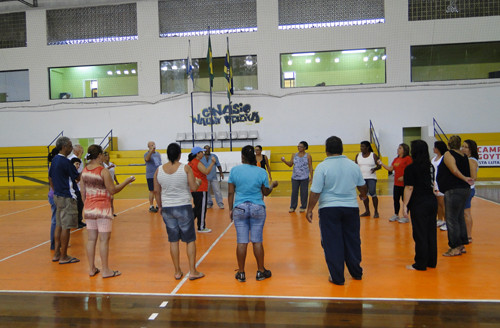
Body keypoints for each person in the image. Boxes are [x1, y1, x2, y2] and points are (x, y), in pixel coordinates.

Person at [306, 136, 367, 285]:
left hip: (329, 209)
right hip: (351, 208)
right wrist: (363, 195)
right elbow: (362, 186)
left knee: (332, 242)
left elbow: (315, 191)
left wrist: (309, 209)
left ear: (326, 150)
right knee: (352, 240)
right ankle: (356, 272)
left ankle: (337, 277)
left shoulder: (322, 167)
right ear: (342, 148)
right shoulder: (353, 165)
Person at [81, 145, 135, 278]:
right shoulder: (103, 171)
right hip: (103, 208)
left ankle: (92, 268)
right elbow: (112, 190)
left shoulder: (85, 170)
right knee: (104, 240)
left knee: (91, 239)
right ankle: (105, 270)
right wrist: (126, 182)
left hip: (89, 208)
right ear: (99, 155)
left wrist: (86, 205)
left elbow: (83, 192)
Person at [153, 143, 205, 281]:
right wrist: (198, 182)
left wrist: (160, 206)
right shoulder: (185, 168)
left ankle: (177, 271)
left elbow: (156, 191)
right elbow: (193, 187)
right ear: (179, 154)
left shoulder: (158, 170)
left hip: (167, 208)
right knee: (190, 240)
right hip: (183, 206)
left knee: (173, 240)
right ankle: (192, 271)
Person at [228, 145, 279, 282]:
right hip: (257, 207)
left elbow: (230, 192)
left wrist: (230, 209)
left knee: (241, 241)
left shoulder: (234, 171)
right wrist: (272, 186)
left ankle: (241, 273)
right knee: (257, 241)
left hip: (240, 208)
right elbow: (265, 192)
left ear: (242, 157)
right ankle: (261, 271)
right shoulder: (261, 172)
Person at [402, 140, 438, 271]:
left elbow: (409, 188)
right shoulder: (430, 167)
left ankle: (420, 263)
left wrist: (405, 205)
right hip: (431, 201)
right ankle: (431, 261)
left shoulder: (411, 168)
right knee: (430, 232)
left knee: (420, 233)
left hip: (419, 203)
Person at [436, 135, 473, 257]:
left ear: (449, 144)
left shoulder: (448, 154)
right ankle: (461, 244)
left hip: (454, 189)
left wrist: (465, 178)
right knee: (459, 217)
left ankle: (455, 246)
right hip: (464, 190)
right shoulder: (463, 155)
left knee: (451, 219)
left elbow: (454, 170)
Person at [48, 136, 80, 264]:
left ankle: (56, 253)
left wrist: (55, 190)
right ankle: (64, 256)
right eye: (70, 145)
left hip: (57, 196)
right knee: (66, 227)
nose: (71, 147)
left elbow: (50, 177)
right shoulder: (66, 162)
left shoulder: (55, 160)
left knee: (59, 225)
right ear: (64, 146)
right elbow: (77, 178)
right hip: (67, 197)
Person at [378, 143, 412, 223]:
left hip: (405, 184)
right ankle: (396, 214)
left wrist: (404, 177)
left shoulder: (408, 159)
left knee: (405, 200)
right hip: (396, 184)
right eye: (398, 148)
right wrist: (381, 164)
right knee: (396, 200)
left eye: (400, 148)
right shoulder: (396, 159)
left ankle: (405, 216)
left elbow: (411, 170)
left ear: (404, 150)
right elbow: (390, 169)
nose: (398, 149)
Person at [188, 146, 216, 233]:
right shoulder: (197, 163)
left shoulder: (190, 163)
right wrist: (212, 163)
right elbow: (206, 171)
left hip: (194, 188)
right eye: (201, 152)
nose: (203, 154)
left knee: (197, 207)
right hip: (201, 187)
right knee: (202, 208)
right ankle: (201, 226)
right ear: (197, 154)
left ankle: (188, 222)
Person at [281, 141, 313, 213]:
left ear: (305, 148)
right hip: (295, 177)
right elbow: (290, 164)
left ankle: (303, 206)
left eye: (301, 146)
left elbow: (310, 167)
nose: (299, 147)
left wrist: (312, 177)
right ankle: (292, 207)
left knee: (304, 192)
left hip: (304, 177)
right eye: (298, 146)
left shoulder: (308, 156)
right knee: (294, 192)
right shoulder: (294, 155)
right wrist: (284, 161)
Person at [354, 141, 381, 218]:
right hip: (361, 178)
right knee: (364, 195)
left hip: (371, 178)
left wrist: (375, 168)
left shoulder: (373, 155)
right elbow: (355, 166)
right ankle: (367, 211)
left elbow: (380, 165)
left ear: (367, 147)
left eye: (363, 146)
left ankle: (376, 211)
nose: (361, 148)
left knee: (373, 193)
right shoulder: (358, 156)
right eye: (360, 146)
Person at [462, 139, 479, 243]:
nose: (463, 148)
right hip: (465, 189)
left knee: (466, 213)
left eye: (466, 147)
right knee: (463, 213)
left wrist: (463, 178)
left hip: (468, 189)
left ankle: (468, 235)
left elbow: (473, 177)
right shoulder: (466, 159)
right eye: (462, 146)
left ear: (471, 149)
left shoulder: (471, 160)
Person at [201, 145, 225, 209]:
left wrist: (221, 173)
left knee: (217, 191)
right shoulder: (201, 157)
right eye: (206, 149)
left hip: (214, 177)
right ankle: (209, 203)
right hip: (205, 178)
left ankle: (220, 203)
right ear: (204, 150)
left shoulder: (214, 156)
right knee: (207, 191)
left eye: (208, 149)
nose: (207, 150)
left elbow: (218, 165)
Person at [68, 144, 86, 228]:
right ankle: (75, 222)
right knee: (76, 205)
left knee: (80, 204)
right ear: (75, 150)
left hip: (80, 185)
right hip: (75, 186)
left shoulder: (80, 159)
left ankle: (79, 220)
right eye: (80, 149)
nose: (82, 150)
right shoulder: (72, 159)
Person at [432, 141, 448, 230]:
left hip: (440, 182)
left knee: (443, 203)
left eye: (435, 147)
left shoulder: (444, 158)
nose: (433, 149)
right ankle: (440, 219)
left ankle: (447, 221)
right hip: (434, 182)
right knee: (437, 203)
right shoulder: (433, 158)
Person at [47, 147, 60, 250]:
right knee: (55, 220)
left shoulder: (53, 166)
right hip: (54, 195)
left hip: (54, 194)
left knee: (57, 220)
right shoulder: (54, 166)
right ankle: (53, 244)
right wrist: (55, 192)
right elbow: (51, 180)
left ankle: (56, 243)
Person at [145, 141, 162, 213]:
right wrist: (151, 152)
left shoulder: (158, 154)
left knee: (158, 190)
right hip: (151, 175)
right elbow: (147, 159)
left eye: (154, 144)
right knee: (152, 190)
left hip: (158, 174)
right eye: (151, 145)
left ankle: (158, 204)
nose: (153, 146)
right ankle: (151, 205)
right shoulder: (147, 154)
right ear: (148, 147)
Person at [103, 152, 119, 216]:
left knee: (111, 198)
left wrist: (116, 181)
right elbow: (103, 170)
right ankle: (106, 212)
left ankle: (111, 212)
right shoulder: (103, 164)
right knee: (107, 198)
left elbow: (113, 173)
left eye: (108, 155)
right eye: (106, 155)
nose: (108, 157)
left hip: (111, 182)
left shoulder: (111, 163)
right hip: (106, 183)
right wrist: (109, 167)